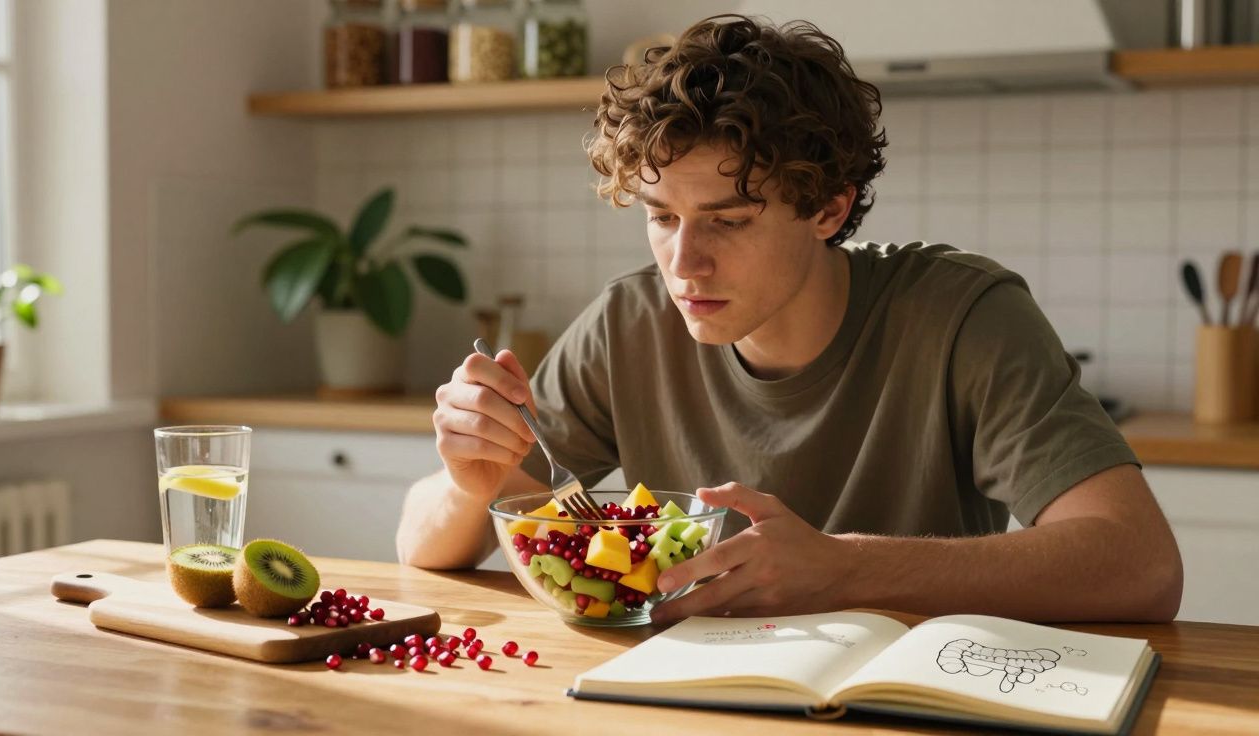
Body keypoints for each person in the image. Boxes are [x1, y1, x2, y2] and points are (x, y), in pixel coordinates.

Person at [397, 14, 1182, 624]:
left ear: (829, 209)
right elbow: (421, 546)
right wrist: (472, 486)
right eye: (662, 217)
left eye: (729, 222)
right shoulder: (627, 323)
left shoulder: (961, 315)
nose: (684, 263)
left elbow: (1141, 566)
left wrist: (848, 568)